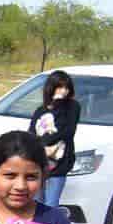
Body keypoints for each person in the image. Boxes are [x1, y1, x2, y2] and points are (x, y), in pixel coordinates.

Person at [30, 70, 80, 208]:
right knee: (35, 203)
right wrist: (42, 148)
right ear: (51, 88)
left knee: (51, 205)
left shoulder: (72, 107)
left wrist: (58, 104)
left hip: (59, 163)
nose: (63, 91)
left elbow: (67, 130)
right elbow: (32, 134)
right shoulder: (40, 111)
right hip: (39, 163)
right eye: (60, 87)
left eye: (66, 87)